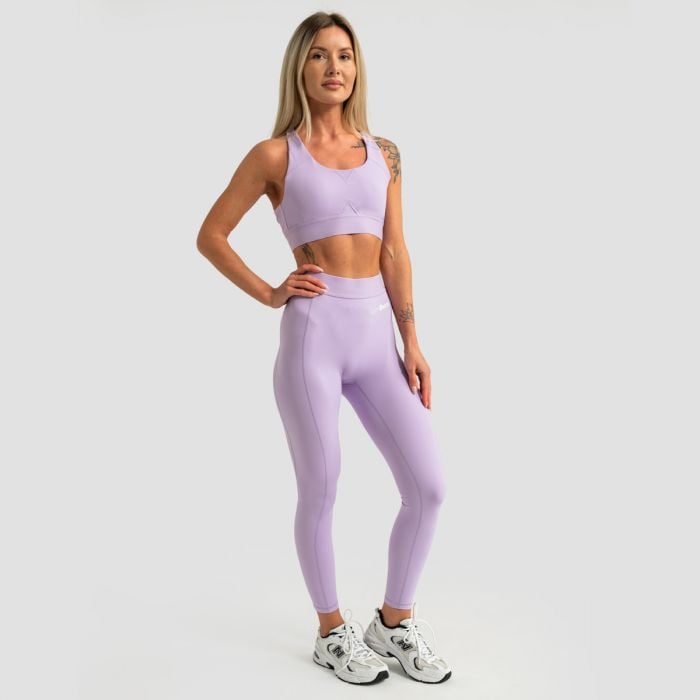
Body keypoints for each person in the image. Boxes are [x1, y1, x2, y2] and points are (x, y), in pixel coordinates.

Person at [196, 11, 451, 685]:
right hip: (314, 335)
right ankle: (331, 632)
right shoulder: (275, 155)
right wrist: (268, 291)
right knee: (322, 484)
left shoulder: (385, 152)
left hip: (377, 337)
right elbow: (211, 235)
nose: (333, 67)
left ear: (357, 68)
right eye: (318, 55)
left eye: (344, 54)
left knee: (428, 486)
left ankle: (393, 622)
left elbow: (395, 250)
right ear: (299, 68)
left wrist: (412, 341)